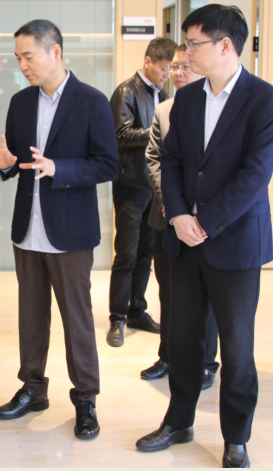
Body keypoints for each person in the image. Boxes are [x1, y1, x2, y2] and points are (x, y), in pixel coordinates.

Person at [136, 5, 273, 469]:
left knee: (237, 347)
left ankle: (236, 436)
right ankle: (178, 421)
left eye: (194, 43)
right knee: (182, 338)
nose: (186, 53)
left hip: (235, 242)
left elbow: (254, 176)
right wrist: (179, 215)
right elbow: (172, 161)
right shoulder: (187, 99)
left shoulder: (266, 100)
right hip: (183, 239)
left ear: (225, 45)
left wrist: (205, 221)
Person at [0, 19, 119, 439]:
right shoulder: (21, 102)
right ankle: (32, 388)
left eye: (28, 56)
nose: (22, 65)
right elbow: (21, 162)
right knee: (31, 315)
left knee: (77, 318)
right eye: (17, 58)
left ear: (55, 52)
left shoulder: (92, 101)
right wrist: (7, 166)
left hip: (70, 231)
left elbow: (108, 164)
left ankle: (86, 398)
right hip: (28, 228)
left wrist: (60, 168)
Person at [141, 45, 220, 390]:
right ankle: (168, 355)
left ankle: (205, 361)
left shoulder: (218, 108)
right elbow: (155, 159)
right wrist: (170, 204)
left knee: (208, 295)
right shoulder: (164, 109)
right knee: (169, 291)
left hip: (206, 221)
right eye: (174, 67)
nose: (178, 72)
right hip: (166, 218)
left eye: (186, 66)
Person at [107, 36, 177, 347]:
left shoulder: (164, 94)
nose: (167, 75)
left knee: (146, 254)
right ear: (148, 61)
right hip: (130, 186)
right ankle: (117, 317)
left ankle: (137, 310)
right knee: (126, 254)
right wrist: (158, 131)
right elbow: (120, 135)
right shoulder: (126, 91)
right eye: (163, 68)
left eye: (170, 70)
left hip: (155, 187)